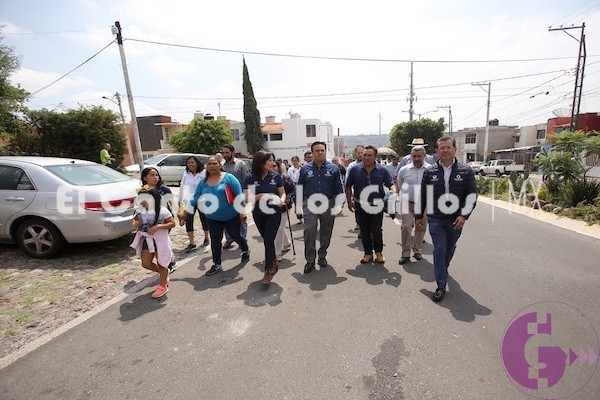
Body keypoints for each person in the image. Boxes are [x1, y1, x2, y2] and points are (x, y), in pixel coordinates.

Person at [415, 136, 477, 302]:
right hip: (436, 218)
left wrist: (464, 215)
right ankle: (440, 285)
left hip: (456, 219)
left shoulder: (466, 171)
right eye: (442, 148)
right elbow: (423, 195)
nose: (445, 150)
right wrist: (418, 215)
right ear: (437, 151)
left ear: (455, 149)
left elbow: (471, 195)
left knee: (449, 247)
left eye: (448, 147)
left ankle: (444, 267)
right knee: (439, 249)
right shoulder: (430, 172)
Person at [183, 156, 250, 276]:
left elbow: (239, 195)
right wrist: (185, 211)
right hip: (212, 217)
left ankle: (245, 249)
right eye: (209, 164)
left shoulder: (229, 178)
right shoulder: (203, 182)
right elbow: (195, 198)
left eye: (214, 163)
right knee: (215, 240)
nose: (212, 166)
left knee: (235, 235)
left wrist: (242, 211)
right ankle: (217, 264)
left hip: (231, 216)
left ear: (220, 165)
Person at [297, 141, 344, 273]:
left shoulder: (333, 169)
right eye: (317, 150)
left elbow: (339, 188)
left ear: (325, 152)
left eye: (322, 150)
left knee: (326, 231)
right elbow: (299, 188)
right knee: (309, 231)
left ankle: (322, 255)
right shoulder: (305, 169)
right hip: (310, 204)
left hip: (328, 203)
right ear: (312, 153)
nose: (320, 152)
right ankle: (310, 260)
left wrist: (340, 205)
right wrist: (298, 206)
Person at [345, 145, 396, 264]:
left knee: (376, 229)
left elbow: (390, 184)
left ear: (375, 157)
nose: (366, 157)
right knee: (364, 230)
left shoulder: (382, 170)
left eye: (370, 155)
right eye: (364, 155)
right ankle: (367, 253)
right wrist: (349, 202)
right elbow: (348, 186)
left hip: (377, 205)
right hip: (360, 205)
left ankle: (379, 252)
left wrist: (393, 191)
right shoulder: (355, 170)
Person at [243, 151, 286, 286]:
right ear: (261, 163)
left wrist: (281, 200)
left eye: (273, 160)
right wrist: (261, 196)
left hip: (274, 212)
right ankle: (273, 262)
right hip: (258, 213)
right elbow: (246, 198)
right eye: (270, 161)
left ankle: (268, 271)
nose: (273, 163)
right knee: (267, 240)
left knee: (268, 240)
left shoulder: (276, 176)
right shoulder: (250, 178)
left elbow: (282, 193)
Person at [130, 188, 176, 298]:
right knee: (146, 263)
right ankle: (163, 274)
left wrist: (158, 226)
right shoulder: (140, 211)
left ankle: (163, 285)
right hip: (147, 239)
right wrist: (136, 224)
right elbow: (136, 221)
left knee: (162, 262)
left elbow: (172, 223)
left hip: (160, 240)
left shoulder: (162, 211)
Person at [396, 146, 432, 265]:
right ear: (411, 156)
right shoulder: (404, 170)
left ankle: (417, 250)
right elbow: (400, 183)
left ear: (424, 156)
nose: (417, 159)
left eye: (419, 156)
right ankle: (405, 253)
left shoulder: (431, 169)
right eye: (414, 156)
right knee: (406, 227)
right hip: (407, 202)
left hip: (424, 204)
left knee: (420, 227)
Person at [139, 167, 178, 272]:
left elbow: (172, 203)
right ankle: (163, 268)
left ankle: (167, 263)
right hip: (150, 221)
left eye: (157, 175)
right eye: (152, 175)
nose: (155, 177)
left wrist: (179, 214)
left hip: (165, 219)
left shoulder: (163, 189)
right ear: (145, 178)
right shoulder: (143, 190)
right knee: (156, 242)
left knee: (162, 240)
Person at [178, 156, 210, 252]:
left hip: (201, 199)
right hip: (189, 200)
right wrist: (179, 199)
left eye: (192, 162)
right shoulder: (186, 173)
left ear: (197, 163)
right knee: (189, 219)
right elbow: (182, 186)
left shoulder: (203, 173)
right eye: (188, 163)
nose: (191, 164)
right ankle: (192, 242)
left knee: (203, 218)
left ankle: (207, 237)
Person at [221, 145, 250, 249]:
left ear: (232, 152)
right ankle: (229, 239)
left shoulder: (240, 164)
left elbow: (246, 180)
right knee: (226, 217)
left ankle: (243, 239)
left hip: (239, 195)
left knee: (241, 218)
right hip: (224, 197)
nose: (225, 155)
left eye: (227, 152)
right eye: (223, 153)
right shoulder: (221, 165)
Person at [273, 159, 293, 261]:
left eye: (274, 166)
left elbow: (293, 190)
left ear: (278, 167)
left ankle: (278, 252)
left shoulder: (285, 178)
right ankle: (286, 243)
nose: (272, 168)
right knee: (278, 227)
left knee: (279, 228)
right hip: (271, 208)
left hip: (284, 208)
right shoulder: (265, 179)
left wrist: (288, 197)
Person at [346, 145, 365, 234]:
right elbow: (348, 182)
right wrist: (351, 193)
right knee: (359, 210)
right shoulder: (352, 166)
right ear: (355, 154)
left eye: (362, 153)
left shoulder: (370, 164)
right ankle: (359, 224)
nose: (360, 155)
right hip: (357, 192)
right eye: (358, 153)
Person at [287, 155, 303, 224]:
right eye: (293, 161)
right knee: (297, 203)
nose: (294, 162)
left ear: (298, 161)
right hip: (294, 186)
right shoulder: (290, 169)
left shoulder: (302, 168)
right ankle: (299, 218)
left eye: (296, 161)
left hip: (302, 186)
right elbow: (289, 178)